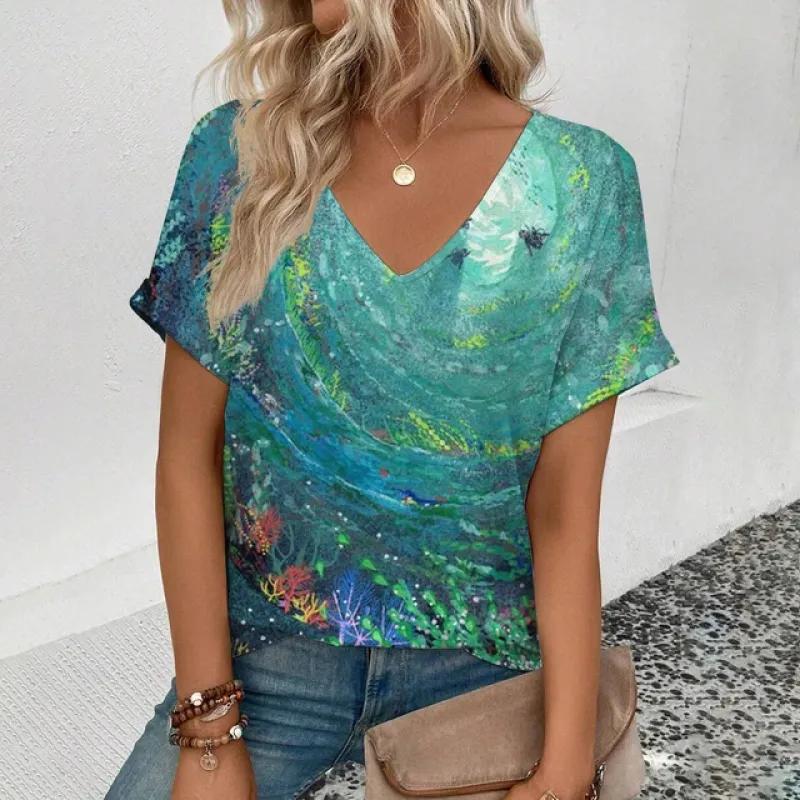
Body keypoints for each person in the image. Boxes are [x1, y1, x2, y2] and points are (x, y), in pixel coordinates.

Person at [107, 1, 680, 799]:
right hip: (266, 669)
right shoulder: (242, 153)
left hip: (480, 676)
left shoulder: (583, 182)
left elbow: (562, 513)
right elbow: (186, 459)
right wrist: (209, 736)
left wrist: (563, 767)